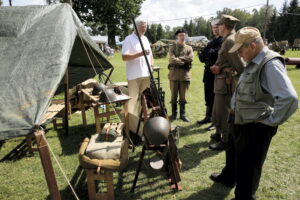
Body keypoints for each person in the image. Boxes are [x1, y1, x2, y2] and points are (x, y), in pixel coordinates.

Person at [210, 26, 298, 200]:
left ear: (252, 46)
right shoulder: (254, 60)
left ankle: (244, 196)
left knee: (248, 167)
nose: (239, 54)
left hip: (255, 126)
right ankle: (229, 177)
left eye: (240, 50)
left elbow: (289, 98)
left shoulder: (270, 64)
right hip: (240, 119)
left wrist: (271, 121)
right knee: (233, 152)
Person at [209, 15, 245, 150]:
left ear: (224, 26)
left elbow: (241, 67)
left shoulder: (230, 41)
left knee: (224, 112)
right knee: (217, 110)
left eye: (219, 25)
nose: (217, 27)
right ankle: (220, 134)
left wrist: (222, 68)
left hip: (226, 83)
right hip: (221, 82)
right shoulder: (227, 40)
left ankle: (226, 140)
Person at [122, 20, 154, 136]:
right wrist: (140, 54)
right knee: (133, 100)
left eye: (145, 27)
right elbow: (124, 57)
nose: (144, 29)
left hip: (146, 74)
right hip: (134, 75)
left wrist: (151, 66)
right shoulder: (128, 39)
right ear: (135, 27)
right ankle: (132, 126)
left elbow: (150, 55)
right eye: (142, 27)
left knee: (145, 100)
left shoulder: (145, 39)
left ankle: (144, 121)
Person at [197, 19, 222, 130]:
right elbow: (202, 57)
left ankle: (215, 120)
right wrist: (207, 53)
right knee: (208, 95)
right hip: (208, 72)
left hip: (217, 73)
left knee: (216, 97)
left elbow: (214, 54)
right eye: (213, 27)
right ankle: (208, 116)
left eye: (217, 27)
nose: (215, 29)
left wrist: (207, 53)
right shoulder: (211, 41)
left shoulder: (223, 40)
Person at [168, 29, 194, 122]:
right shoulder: (172, 47)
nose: (182, 37)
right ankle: (174, 114)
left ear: (186, 36)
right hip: (174, 75)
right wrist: (183, 60)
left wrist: (179, 59)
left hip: (185, 76)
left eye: (184, 35)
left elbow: (190, 58)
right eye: (180, 35)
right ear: (177, 36)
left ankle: (183, 115)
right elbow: (172, 59)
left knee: (183, 97)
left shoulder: (189, 48)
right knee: (173, 96)